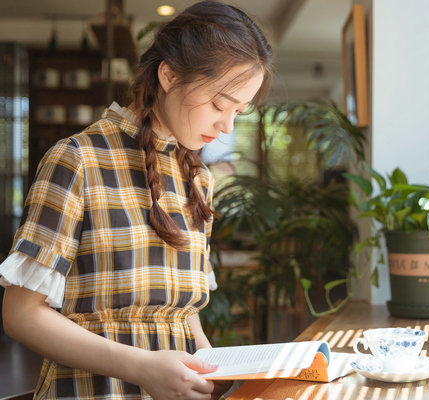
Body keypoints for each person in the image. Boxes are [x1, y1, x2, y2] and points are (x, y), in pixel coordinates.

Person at [0, 1, 273, 399]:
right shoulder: (78, 159)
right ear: (169, 74)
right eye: (219, 104)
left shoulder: (198, 178)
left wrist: (210, 368)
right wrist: (142, 368)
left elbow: (183, 314)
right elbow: (20, 316)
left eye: (239, 112)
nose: (227, 125)